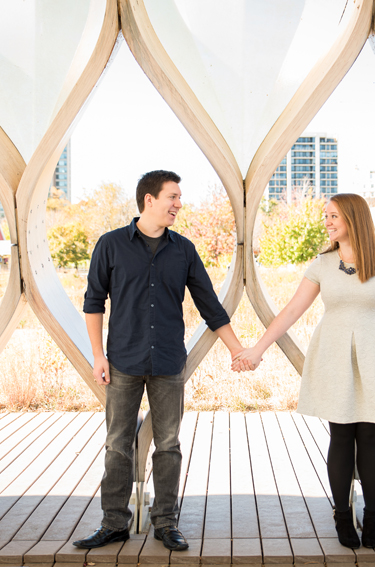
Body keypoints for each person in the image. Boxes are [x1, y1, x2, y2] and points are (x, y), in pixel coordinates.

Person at [74, 170, 251, 551]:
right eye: (173, 197)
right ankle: (113, 524)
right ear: (149, 200)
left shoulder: (183, 249)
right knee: (117, 444)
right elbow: (93, 302)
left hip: (169, 362)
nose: (179, 204)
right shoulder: (110, 245)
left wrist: (236, 348)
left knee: (168, 444)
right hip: (122, 360)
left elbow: (210, 306)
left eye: (179, 197)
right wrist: (97, 355)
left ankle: (166, 523)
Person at [232, 193, 375, 549]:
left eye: (333, 216)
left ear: (354, 218)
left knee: (370, 436)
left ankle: (373, 513)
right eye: (326, 216)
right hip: (334, 357)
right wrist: (257, 349)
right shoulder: (322, 264)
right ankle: (342, 516)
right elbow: (290, 311)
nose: (327, 222)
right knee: (342, 436)